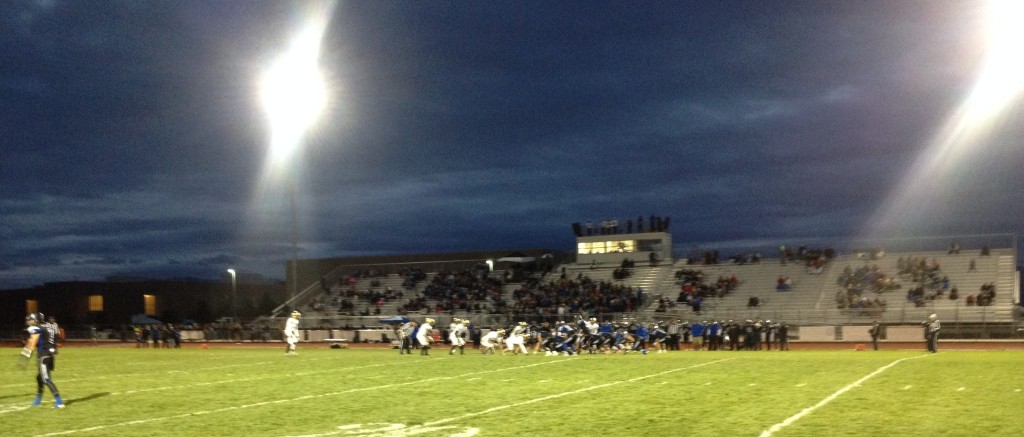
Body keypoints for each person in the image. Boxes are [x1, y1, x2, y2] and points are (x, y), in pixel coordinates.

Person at [22, 312, 64, 408]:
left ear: (37, 320)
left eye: (32, 319)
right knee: (39, 378)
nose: (30, 322)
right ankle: (38, 400)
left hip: (43, 356)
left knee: (45, 379)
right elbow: (54, 339)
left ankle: (59, 402)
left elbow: (33, 340)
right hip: (50, 356)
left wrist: (25, 355)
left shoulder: (37, 328)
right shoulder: (49, 327)